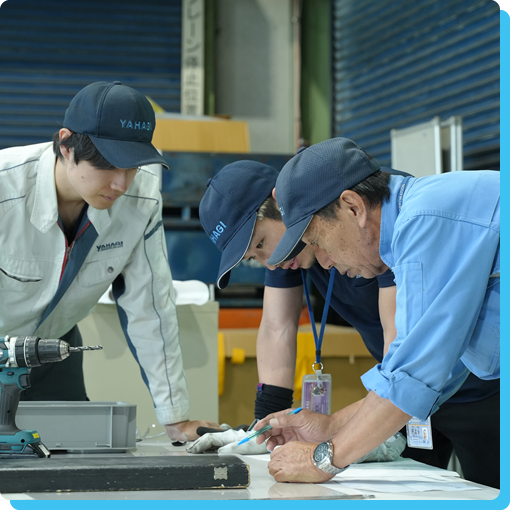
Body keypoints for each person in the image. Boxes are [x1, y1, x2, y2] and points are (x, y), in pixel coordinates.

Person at [198, 159, 499, 487]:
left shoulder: (411, 223)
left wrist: (323, 458)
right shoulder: (393, 222)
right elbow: (428, 372)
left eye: (317, 242)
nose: (324, 262)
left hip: (476, 397)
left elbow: (410, 369)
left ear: (353, 207)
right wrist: (304, 426)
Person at [0, 81, 218, 441]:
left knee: (73, 456)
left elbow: (151, 307)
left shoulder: (141, 197)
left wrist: (176, 419)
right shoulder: (5, 190)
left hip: (53, 350)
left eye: (132, 166)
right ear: (67, 145)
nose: (121, 184)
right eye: (109, 164)